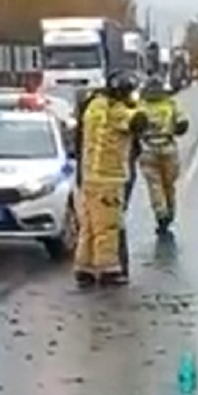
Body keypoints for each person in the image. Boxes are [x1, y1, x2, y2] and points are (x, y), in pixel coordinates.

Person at [73, 71, 148, 287]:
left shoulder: (94, 106)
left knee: (89, 225)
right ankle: (108, 269)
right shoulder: (117, 111)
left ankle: (84, 268)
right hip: (109, 176)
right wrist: (139, 106)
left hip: (88, 175)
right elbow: (139, 122)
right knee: (108, 226)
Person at [137, 74, 189, 234]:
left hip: (147, 148)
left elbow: (133, 126)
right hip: (168, 147)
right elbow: (182, 124)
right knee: (169, 185)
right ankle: (170, 212)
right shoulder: (170, 104)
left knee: (155, 185)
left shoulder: (141, 106)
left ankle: (161, 214)